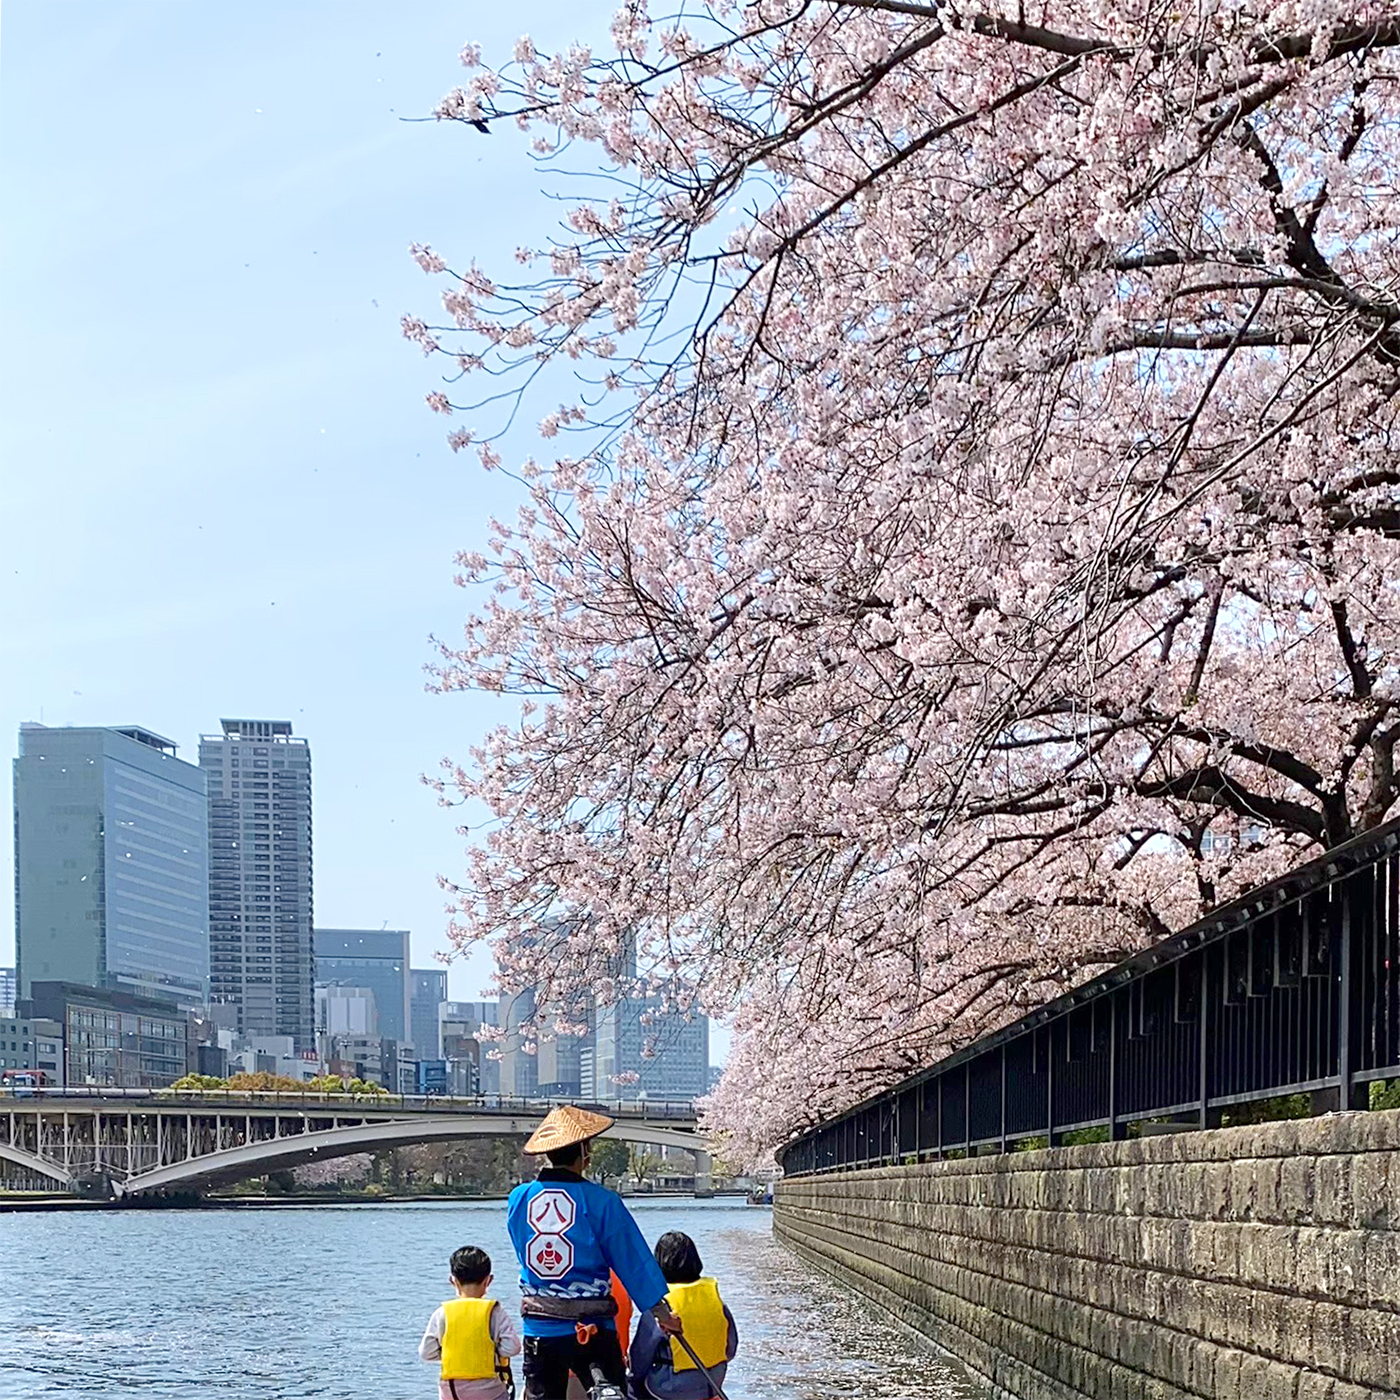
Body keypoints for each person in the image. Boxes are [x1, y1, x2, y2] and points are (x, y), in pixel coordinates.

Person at [507, 1105, 681, 1400]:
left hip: (540, 1327)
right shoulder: (603, 1202)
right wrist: (663, 1314)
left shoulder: (519, 1198)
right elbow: (633, 1262)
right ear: (584, 1152)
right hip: (593, 1329)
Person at [629, 1232, 738, 1400]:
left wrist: (633, 1377)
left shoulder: (661, 1307)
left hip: (671, 1387)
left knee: (630, 1387)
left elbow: (640, 1357)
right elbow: (730, 1349)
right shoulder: (715, 1300)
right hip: (713, 1383)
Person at [419, 1245, 523, 1400]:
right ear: (489, 1280)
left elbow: (426, 1352)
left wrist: (454, 1352)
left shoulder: (442, 1313)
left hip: (452, 1392)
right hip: (490, 1390)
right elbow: (513, 1348)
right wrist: (489, 1352)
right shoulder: (495, 1312)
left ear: (452, 1280)